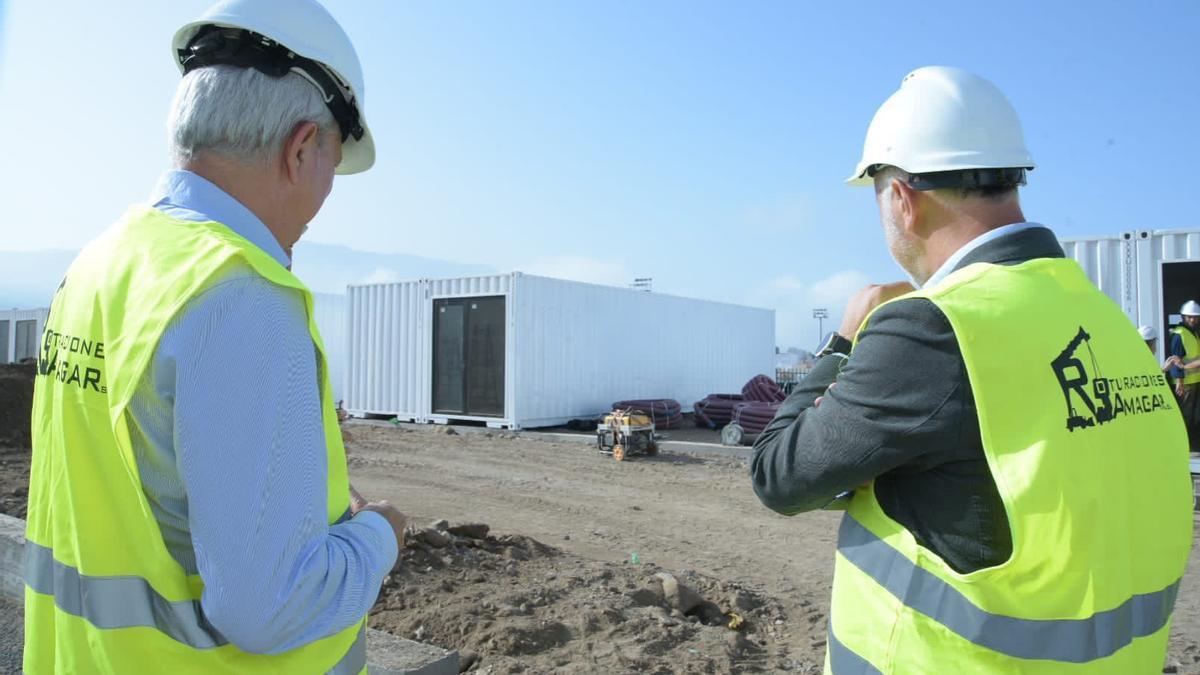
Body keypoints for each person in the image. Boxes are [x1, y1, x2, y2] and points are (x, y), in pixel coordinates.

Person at [750, 66, 1193, 673]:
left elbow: (778, 474)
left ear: (902, 199)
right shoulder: (1105, 320)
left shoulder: (933, 330)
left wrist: (842, 340)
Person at [24, 1, 407, 672]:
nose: (325, 198)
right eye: (331, 166)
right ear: (299, 148)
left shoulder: (99, 263)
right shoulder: (242, 295)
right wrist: (382, 532)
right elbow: (270, 605)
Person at [1168, 301, 1200, 448]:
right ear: (1183, 317)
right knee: (1185, 416)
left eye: (1195, 317)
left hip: (1194, 381)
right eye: (1189, 317)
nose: (1193, 319)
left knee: (1192, 415)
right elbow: (1175, 359)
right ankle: (1183, 446)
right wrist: (1179, 382)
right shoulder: (1179, 334)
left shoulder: (1193, 333)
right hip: (1185, 384)